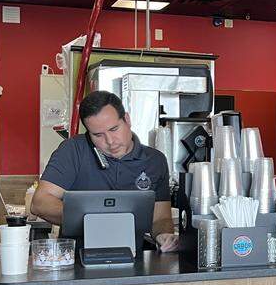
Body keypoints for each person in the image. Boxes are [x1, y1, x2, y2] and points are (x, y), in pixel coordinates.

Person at [31, 91, 179, 251]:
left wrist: (162, 235)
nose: (110, 141)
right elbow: (40, 203)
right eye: (98, 135)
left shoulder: (154, 160)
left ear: (127, 120)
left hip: (132, 261)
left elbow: (160, 218)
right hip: (76, 262)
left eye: (114, 129)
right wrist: (93, 221)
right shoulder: (73, 150)